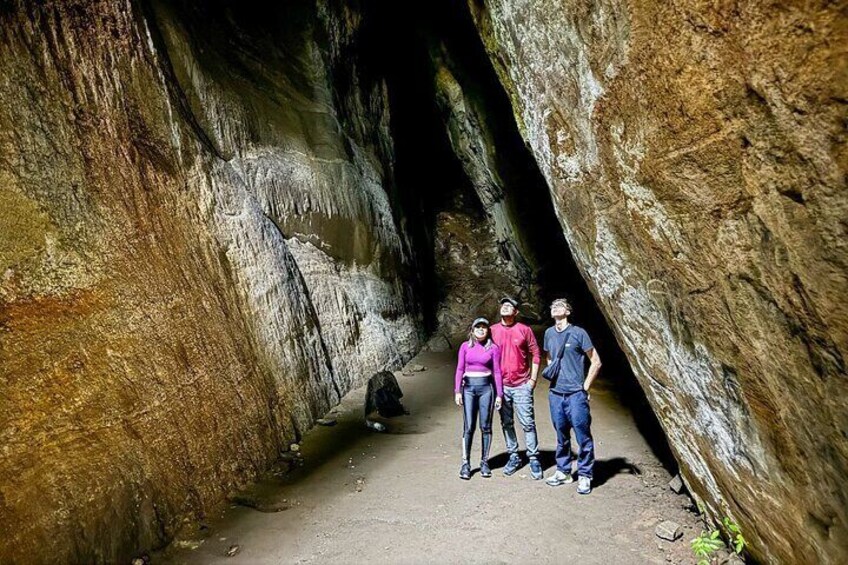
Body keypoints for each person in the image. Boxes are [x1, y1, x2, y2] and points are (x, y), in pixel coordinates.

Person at [543, 298, 602, 494]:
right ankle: (563, 471)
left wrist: (585, 387)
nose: (555, 308)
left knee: (582, 436)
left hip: (575, 394)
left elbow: (596, 361)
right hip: (556, 393)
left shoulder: (579, 333)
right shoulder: (549, 333)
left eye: (560, 306)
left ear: (568, 311)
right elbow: (549, 356)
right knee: (561, 435)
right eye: (553, 306)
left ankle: (585, 475)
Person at [490, 296, 543, 479]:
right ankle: (513, 456)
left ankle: (533, 457)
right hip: (501, 386)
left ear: (516, 312)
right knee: (506, 423)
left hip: (521, 384)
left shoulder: (524, 330)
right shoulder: (492, 330)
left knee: (527, 423)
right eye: (503, 304)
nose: (505, 307)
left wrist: (533, 381)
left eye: (509, 305)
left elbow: (536, 354)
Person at [454, 318, 503, 480]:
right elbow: (460, 368)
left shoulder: (493, 348)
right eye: (478, 327)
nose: (481, 330)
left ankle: (484, 462)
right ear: (472, 330)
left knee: (486, 426)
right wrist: (457, 391)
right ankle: (466, 464)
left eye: (484, 328)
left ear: (488, 331)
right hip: (468, 388)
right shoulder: (465, 347)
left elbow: (497, 372)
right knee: (469, 426)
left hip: (485, 389)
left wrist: (499, 394)